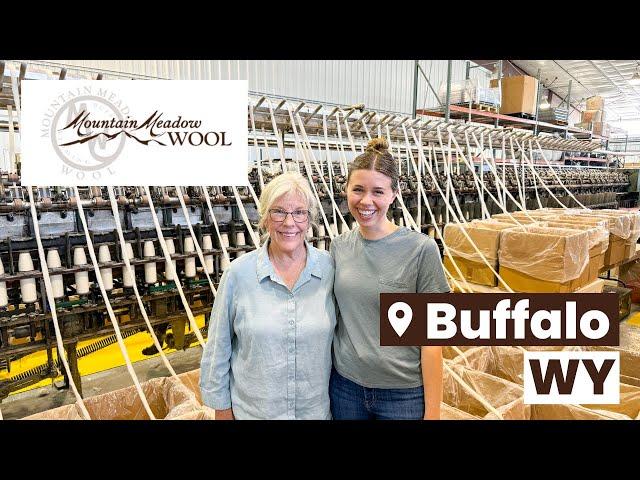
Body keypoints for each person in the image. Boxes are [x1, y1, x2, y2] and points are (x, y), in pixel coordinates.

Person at [329, 137, 450, 420]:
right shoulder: (339, 247)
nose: (366, 201)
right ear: (346, 190)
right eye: (357, 189)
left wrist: (433, 412)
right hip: (345, 387)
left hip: (402, 395)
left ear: (394, 194)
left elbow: (433, 341)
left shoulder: (421, 250)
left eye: (378, 192)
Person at [200, 172, 336, 419]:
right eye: (279, 211)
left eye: (299, 212)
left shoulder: (329, 270)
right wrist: (222, 410)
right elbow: (217, 349)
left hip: (315, 413)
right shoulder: (238, 274)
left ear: (309, 219)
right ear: (264, 218)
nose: (289, 222)